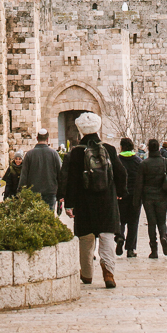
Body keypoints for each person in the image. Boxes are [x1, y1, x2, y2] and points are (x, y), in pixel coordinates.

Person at [64, 111, 126, 289]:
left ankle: (87, 274)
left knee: (86, 238)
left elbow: (71, 180)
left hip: (84, 202)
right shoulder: (110, 149)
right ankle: (108, 273)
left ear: (80, 129)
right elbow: (122, 173)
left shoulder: (75, 153)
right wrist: (120, 192)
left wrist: (69, 204)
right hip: (106, 200)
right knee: (107, 236)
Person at [135, 138, 167, 258]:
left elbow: (139, 183)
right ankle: (163, 236)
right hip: (162, 195)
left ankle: (154, 250)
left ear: (149, 148)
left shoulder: (144, 164)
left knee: (151, 223)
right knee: (162, 221)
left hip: (148, 197)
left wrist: (136, 200)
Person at [18, 129, 62, 210]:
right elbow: (60, 174)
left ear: (37, 138)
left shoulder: (29, 154)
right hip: (50, 191)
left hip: (33, 191)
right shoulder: (54, 154)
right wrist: (61, 193)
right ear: (48, 139)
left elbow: (24, 176)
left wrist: (20, 191)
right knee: (49, 217)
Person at [115, 138, 142, 258]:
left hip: (120, 195)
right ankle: (130, 249)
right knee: (133, 222)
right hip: (135, 196)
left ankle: (120, 236)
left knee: (120, 219)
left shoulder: (117, 160)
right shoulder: (138, 161)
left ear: (121, 147)